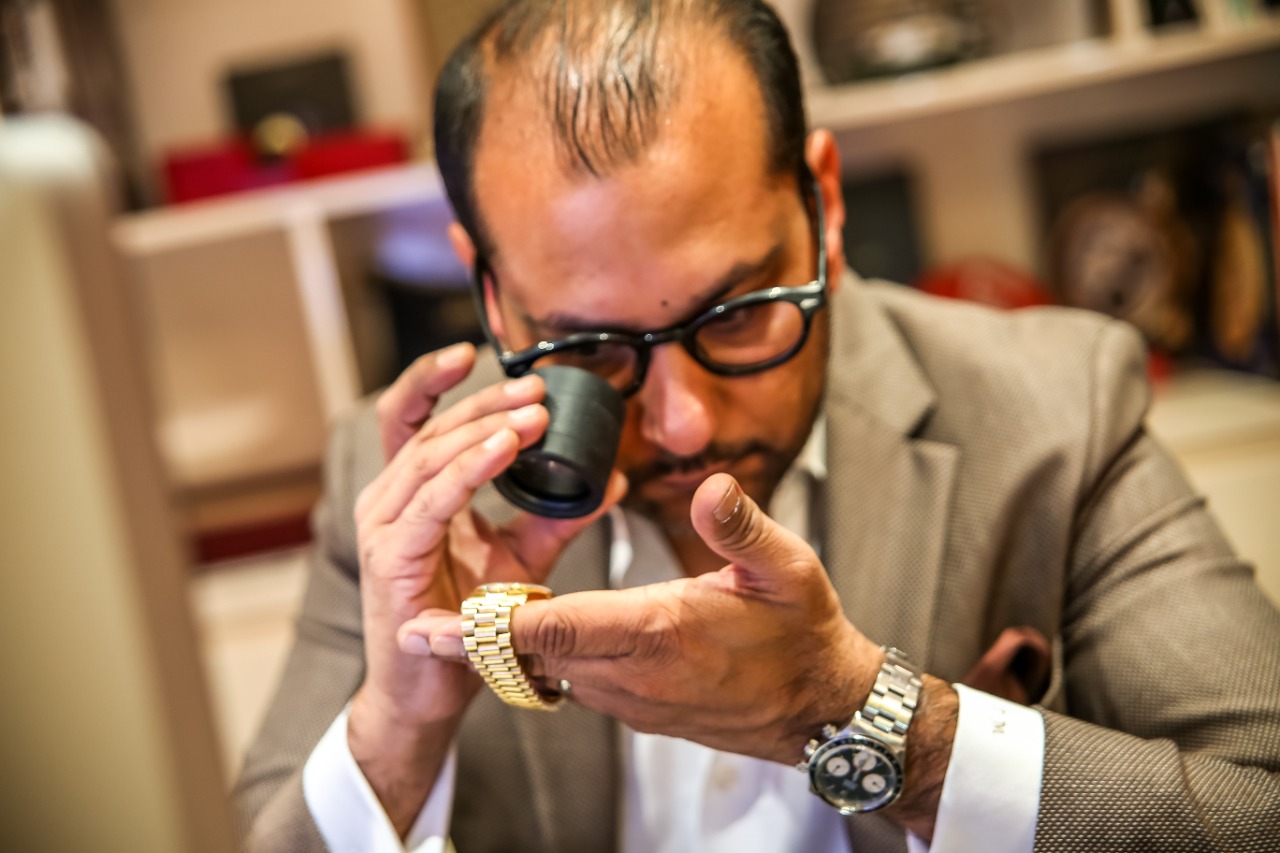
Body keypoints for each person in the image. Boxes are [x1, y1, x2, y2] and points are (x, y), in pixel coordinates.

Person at [232, 1, 1280, 851]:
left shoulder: (1054, 404)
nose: (684, 425)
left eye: (736, 313)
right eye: (588, 345)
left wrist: (883, 725)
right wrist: (401, 726)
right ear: (493, 295)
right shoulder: (397, 492)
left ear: (823, 201)